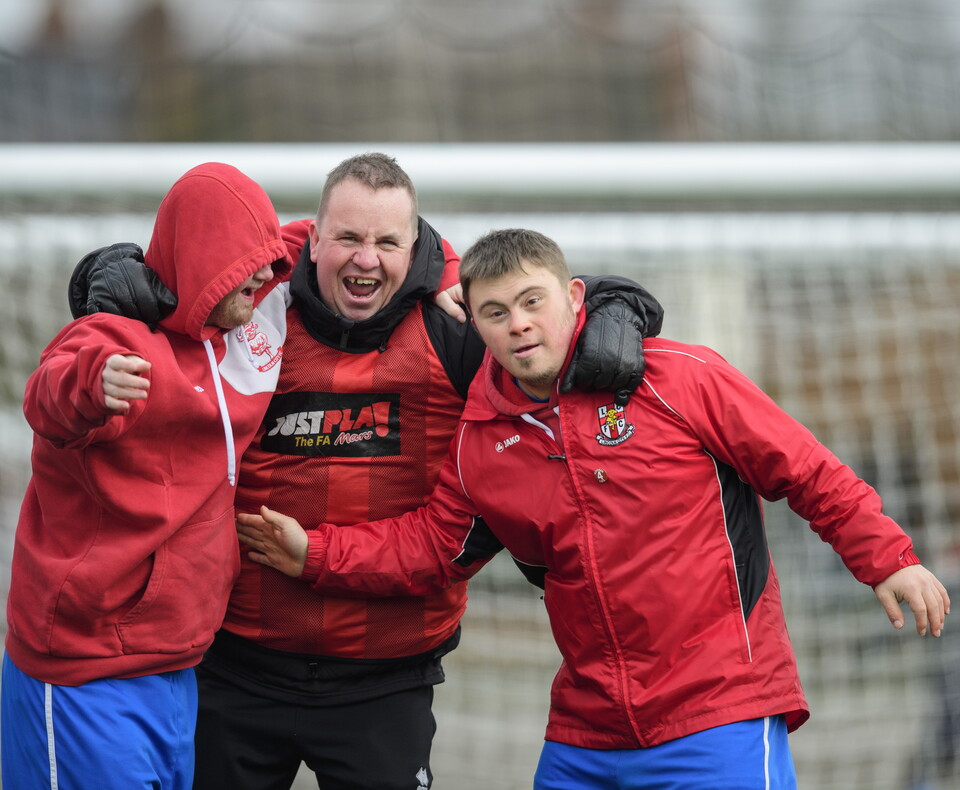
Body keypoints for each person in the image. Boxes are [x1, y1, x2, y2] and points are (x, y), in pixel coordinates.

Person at [237, 227, 952, 790]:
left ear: (575, 296)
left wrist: (888, 559)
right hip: (587, 735)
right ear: (474, 325)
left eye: (532, 301)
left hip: (720, 712)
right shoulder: (478, 442)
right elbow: (432, 549)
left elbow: (807, 470)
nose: (517, 325)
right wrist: (318, 554)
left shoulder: (680, 377)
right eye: (494, 312)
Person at [69, 153, 664, 790]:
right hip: (232, 660)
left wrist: (617, 307)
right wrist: (101, 275)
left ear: (418, 250)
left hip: (388, 675)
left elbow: (543, 320)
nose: (366, 258)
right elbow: (161, 280)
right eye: (349, 238)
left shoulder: (455, 330)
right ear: (314, 240)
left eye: (387, 242)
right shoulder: (252, 308)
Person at [1, 162, 292, 790]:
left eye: (272, 259)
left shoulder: (244, 331)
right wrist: (92, 382)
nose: (269, 275)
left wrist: (444, 271)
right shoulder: (112, 340)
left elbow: (346, 232)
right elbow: (46, 396)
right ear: (206, 257)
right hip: (86, 669)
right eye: (251, 259)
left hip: (177, 663)